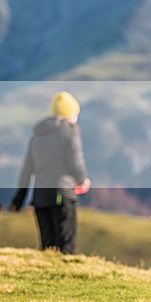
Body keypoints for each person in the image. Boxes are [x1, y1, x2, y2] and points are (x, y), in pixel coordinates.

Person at [8, 91, 91, 254]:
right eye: (75, 114)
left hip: (40, 199)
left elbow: (26, 171)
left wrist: (18, 202)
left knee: (48, 248)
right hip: (61, 195)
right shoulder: (69, 131)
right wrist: (82, 180)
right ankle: (64, 278)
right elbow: (76, 162)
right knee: (65, 247)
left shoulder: (37, 136)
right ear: (69, 113)